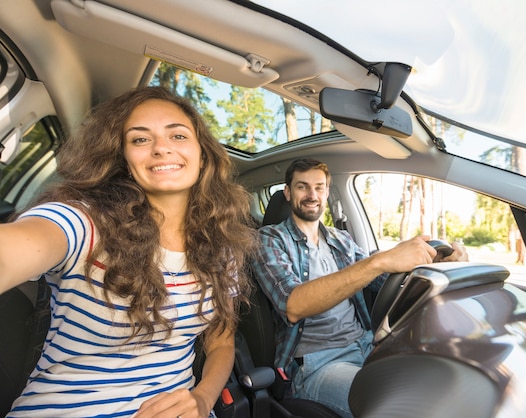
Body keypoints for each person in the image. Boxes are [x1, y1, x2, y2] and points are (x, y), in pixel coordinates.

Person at [0, 86, 257, 417]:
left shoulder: (222, 249)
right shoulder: (86, 223)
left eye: (178, 136)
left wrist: (204, 397)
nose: (161, 148)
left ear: (203, 154)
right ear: (121, 157)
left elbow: (222, 339)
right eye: (140, 139)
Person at [252, 158, 468, 417]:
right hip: (318, 364)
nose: (312, 195)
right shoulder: (269, 239)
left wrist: (436, 262)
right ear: (288, 193)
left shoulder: (340, 238)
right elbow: (292, 305)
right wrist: (379, 261)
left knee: (442, 386)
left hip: (367, 345)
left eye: (319, 187)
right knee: (402, 408)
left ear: (327, 193)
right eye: (302, 187)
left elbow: (380, 279)